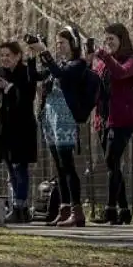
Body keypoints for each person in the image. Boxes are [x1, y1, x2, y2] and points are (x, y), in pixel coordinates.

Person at [30, 27, 87, 227]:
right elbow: (36, 76)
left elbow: (61, 75)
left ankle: (76, 210)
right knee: (59, 167)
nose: (59, 46)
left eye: (62, 42)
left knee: (67, 164)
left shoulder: (77, 64)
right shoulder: (59, 63)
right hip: (50, 116)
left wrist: (44, 51)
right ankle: (63, 209)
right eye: (57, 43)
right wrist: (34, 54)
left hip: (65, 117)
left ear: (73, 44)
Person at [92, 23, 133, 225]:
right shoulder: (104, 63)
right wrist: (89, 61)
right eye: (106, 40)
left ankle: (110, 209)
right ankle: (124, 211)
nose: (108, 43)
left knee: (112, 159)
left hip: (123, 118)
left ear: (122, 39)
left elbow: (121, 73)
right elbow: (95, 80)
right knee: (112, 164)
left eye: (111, 39)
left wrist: (105, 56)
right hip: (103, 119)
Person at [0, 41, 41, 223]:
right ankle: (16, 206)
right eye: (2, 55)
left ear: (18, 56)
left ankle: (20, 206)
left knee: (20, 168)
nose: (4, 59)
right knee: (10, 169)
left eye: (8, 55)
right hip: (6, 128)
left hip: (22, 127)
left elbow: (26, 98)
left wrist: (8, 87)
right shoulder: (1, 73)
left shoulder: (26, 72)